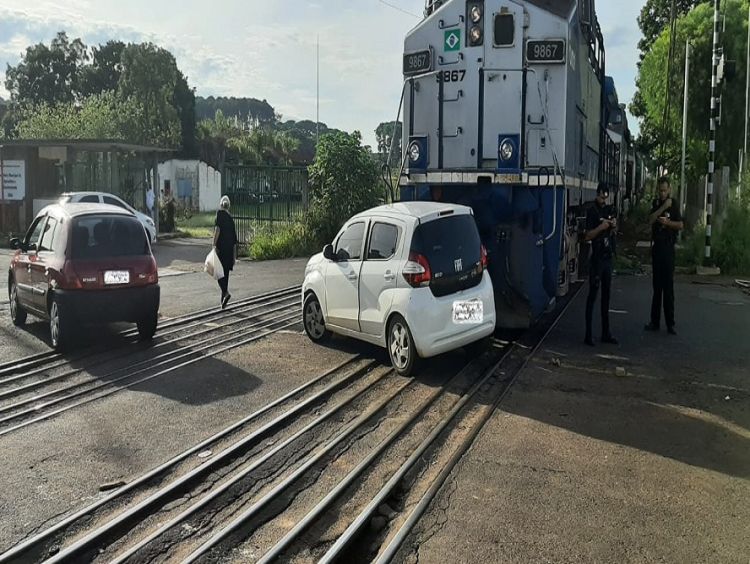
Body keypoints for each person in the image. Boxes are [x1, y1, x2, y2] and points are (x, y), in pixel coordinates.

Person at [645, 176, 684, 334]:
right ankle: (655, 321)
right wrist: (662, 209)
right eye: (660, 190)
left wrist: (668, 223)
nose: (662, 193)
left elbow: (681, 225)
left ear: (669, 190)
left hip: (668, 248)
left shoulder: (673, 205)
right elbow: (650, 219)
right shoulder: (656, 204)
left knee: (668, 287)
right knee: (657, 288)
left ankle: (670, 323)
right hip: (657, 248)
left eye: (664, 190)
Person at [584, 183, 618, 346]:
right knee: (593, 296)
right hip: (597, 258)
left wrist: (612, 226)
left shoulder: (609, 210)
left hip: (607, 257)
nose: (603, 199)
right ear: (597, 194)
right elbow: (587, 236)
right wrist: (601, 227)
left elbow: (613, 231)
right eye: (601, 196)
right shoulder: (592, 211)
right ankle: (588, 334)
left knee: (606, 297)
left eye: (606, 197)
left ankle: (606, 332)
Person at [213, 196, 238, 309]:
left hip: (221, 249)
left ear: (221, 205)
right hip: (229, 251)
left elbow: (217, 230)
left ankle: (226, 293)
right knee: (225, 275)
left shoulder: (219, 214)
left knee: (218, 274)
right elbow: (234, 241)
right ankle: (223, 300)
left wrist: (214, 243)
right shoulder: (231, 219)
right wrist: (234, 257)